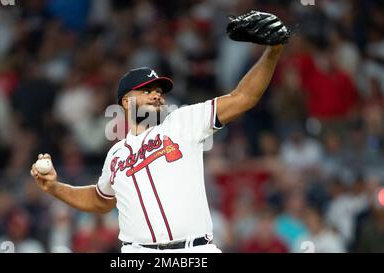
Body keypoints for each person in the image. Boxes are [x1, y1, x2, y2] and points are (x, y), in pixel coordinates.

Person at [30, 11, 289, 253]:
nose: (156, 95)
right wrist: (54, 188)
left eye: (159, 91)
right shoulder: (116, 155)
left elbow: (243, 97)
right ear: (125, 102)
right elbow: (100, 200)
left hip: (195, 250)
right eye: (146, 90)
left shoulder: (183, 121)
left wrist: (273, 51)